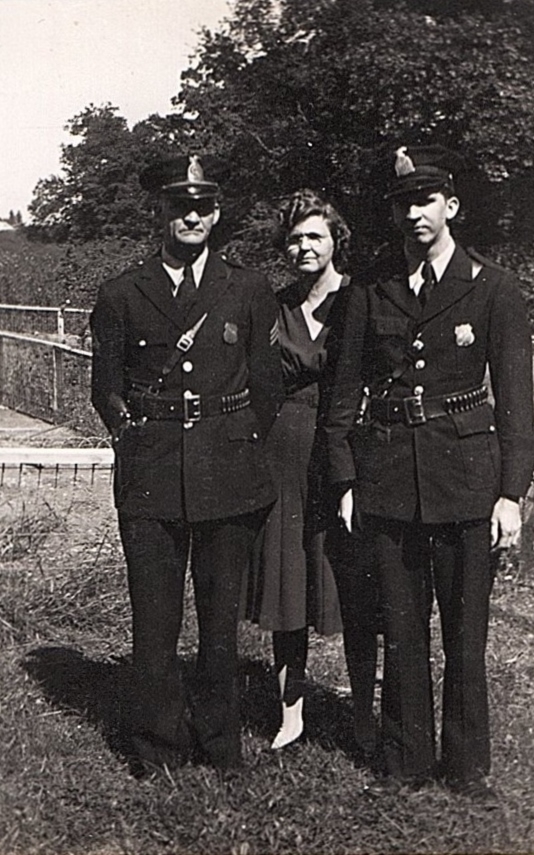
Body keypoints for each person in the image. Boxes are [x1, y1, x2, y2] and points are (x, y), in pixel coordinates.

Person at [326, 145, 534, 797]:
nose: (415, 212)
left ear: (452, 207)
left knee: (465, 632)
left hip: (467, 478)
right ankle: (405, 757)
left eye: (426, 200)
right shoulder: (371, 289)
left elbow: (517, 400)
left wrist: (510, 493)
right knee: (403, 626)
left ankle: (468, 764)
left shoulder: (493, 287)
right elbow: (342, 393)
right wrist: (345, 479)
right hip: (387, 477)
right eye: (404, 202)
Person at [90, 153, 283, 773]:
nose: (192, 216)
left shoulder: (247, 288)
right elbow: (106, 387)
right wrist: (132, 437)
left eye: (202, 207)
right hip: (152, 474)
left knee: (220, 623)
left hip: (228, 473)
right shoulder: (122, 292)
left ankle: (219, 741)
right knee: (155, 621)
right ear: (162, 214)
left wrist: (241, 437)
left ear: (217, 214)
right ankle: (158, 745)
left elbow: (268, 382)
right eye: (180, 207)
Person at [244, 189, 382, 752]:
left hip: (345, 453)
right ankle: (291, 713)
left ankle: (365, 714)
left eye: (315, 236)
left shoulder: (362, 300)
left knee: (351, 583)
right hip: (284, 454)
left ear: (336, 242)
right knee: (288, 584)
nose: (304, 246)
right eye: (295, 238)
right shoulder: (274, 307)